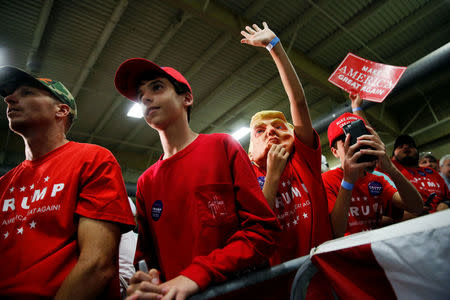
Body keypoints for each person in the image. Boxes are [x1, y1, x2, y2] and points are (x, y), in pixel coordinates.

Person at [114, 56, 280, 300]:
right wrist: (145, 281)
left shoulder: (222, 147)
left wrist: (198, 274)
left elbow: (262, 231)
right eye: (140, 95)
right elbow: (147, 259)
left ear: (187, 98)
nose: (145, 98)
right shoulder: (146, 182)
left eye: (157, 87)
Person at [0, 67, 135, 299]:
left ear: (61, 110)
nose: (10, 99)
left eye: (27, 92)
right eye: (10, 95)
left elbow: (97, 265)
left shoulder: (92, 159)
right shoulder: (4, 184)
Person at [243, 22, 331, 266]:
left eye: (279, 126)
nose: (270, 130)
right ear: (249, 152)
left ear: (294, 137)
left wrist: (275, 46)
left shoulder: (305, 160)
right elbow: (257, 228)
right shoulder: (245, 176)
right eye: (260, 131)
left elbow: (299, 102)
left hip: (322, 277)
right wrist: (272, 176)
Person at [322, 93, 423, 237]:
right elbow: (336, 231)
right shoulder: (326, 180)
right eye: (346, 140)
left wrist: (390, 168)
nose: (355, 144)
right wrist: (348, 181)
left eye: (359, 138)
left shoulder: (376, 181)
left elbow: (416, 208)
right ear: (335, 152)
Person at [392, 135, 449, 214]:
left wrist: (446, 203)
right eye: (400, 146)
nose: (405, 147)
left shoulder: (432, 172)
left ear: (417, 151)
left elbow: (448, 197)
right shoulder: (391, 173)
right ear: (393, 155)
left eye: (410, 146)